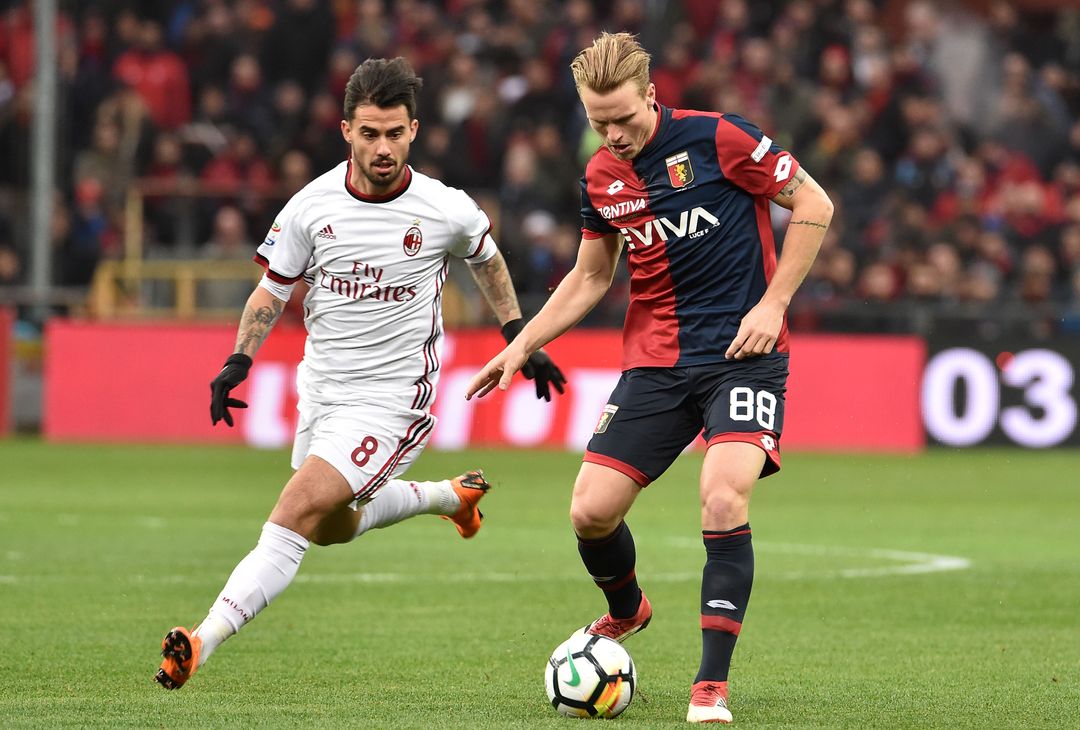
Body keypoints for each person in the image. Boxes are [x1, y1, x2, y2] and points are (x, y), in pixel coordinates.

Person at [154, 57, 566, 690]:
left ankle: (200, 640)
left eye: (394, 133)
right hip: (322, 388)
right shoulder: (309, 207)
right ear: (346, 129)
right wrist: (238, 360)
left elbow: (487, 260)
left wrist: (519, 335)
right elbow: (270, 292)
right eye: (369, 133)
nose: (382, 147)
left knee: (293, 512)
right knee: (330, 528)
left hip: (396, 400)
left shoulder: (444, 209)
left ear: (414, 131)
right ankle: (450, 497)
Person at [467, 33, 833, 724]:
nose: (613, 134)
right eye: (598, 122)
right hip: (658, 363)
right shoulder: (599, 177)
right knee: (589, 511)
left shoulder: (721, 139)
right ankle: (627, 610)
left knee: (723, 499)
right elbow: (590, 277)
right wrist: (522, 344)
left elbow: (814, 204)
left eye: (624, 119)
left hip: (743, 355)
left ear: (652, 96)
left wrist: (774, 301)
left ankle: (710, 687)